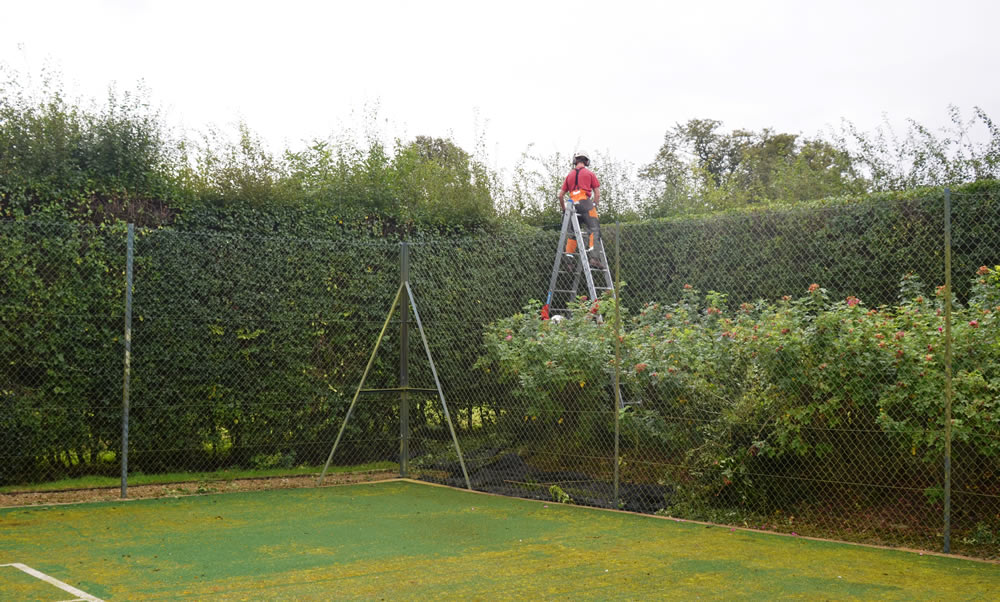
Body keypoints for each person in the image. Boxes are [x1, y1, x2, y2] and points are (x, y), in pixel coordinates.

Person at [558, 150, 602, 267]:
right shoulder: (590, 174)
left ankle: (568, 262)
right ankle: (594, 258)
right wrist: (594, 205)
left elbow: (560, 195)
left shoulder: (569, 175)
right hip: (585, 202)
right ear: (586, 161)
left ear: (575, 160)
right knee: (594, 229)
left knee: (572, 234)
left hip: (572, 205)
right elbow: (597, 193)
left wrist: (564, 209)